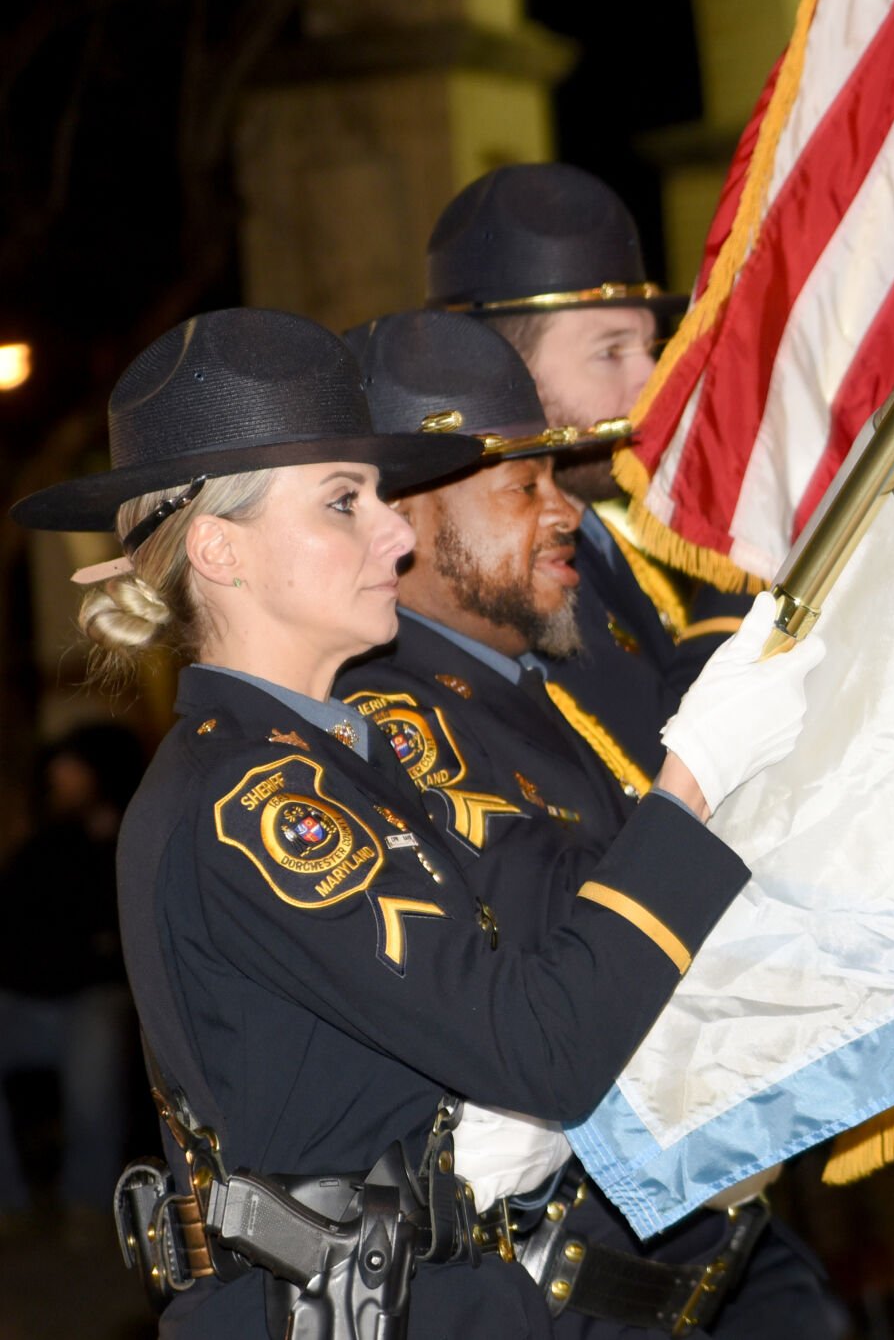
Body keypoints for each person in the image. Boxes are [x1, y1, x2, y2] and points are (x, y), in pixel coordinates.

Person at [9, 307, 823, 1339]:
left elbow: (522, 997)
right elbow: (540, 1047)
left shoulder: (345, 759)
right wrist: (693, 782)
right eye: (344, 502)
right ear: (220, 549)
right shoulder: (256, 802)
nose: (395, 531)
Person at [338, 309, 848, 1338]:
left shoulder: (527, 684)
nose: (561, 508)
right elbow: (580, 970)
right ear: (403, 524)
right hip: (574, 1294)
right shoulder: (398, 720)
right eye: (520, 485)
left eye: (553, 477)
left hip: (709, 1258)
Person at [426, 163, 749, 773]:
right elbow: (658, 770)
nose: (653, 384)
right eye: (610, 352)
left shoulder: (600, 524)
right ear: (503, 370)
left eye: (649, 348)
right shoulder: (488, 578)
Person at [0, 723, 144, 1230]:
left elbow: (118, 937)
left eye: (72, 771)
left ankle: (87, 1198)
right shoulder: (37, 841)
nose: (62, 781)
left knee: (96, 1049)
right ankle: (6, 1202)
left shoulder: (130, 835)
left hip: (92, 997)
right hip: (26, 996)